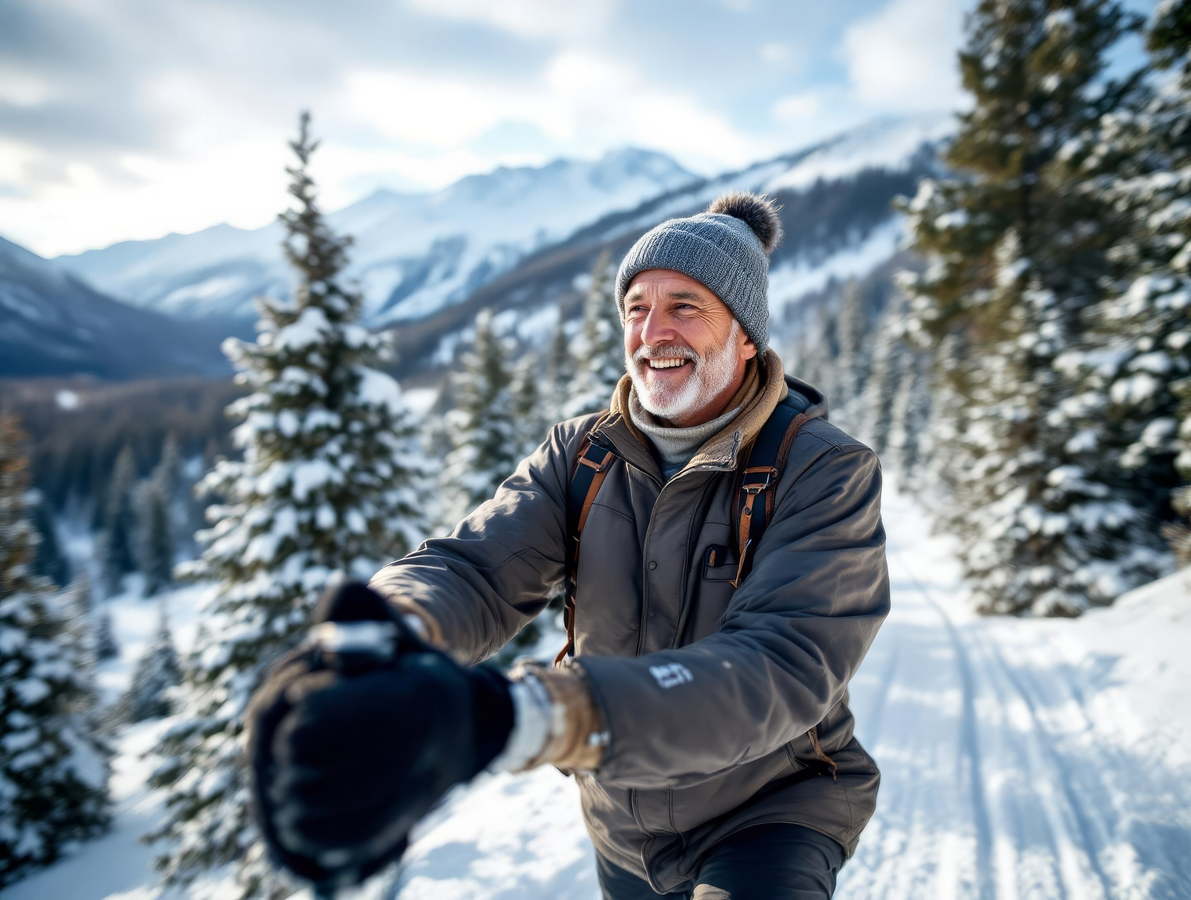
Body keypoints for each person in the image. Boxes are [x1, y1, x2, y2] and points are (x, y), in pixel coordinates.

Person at [247, 192, 890, 899]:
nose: (652, 332)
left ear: (745, 337)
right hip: (622, 823)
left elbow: (780, 665)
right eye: (636, 309)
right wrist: (391, 632)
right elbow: (475, 568)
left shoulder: (823, 469)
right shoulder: (582, 453)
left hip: (771, 813)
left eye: (685, 306)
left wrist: (529, 715)